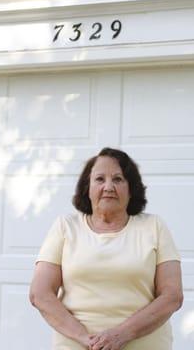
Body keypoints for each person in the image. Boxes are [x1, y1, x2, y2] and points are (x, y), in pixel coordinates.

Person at [29, 147, 183, 350]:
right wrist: (86, 339)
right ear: (87, 188)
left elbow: (172, 296)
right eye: (100, 179)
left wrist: (121, 335)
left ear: (131, 189)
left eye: (118, 179)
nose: (109, 187)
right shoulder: (65, 227)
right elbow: (40, 294)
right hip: (77, 344)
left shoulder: (154, 226)